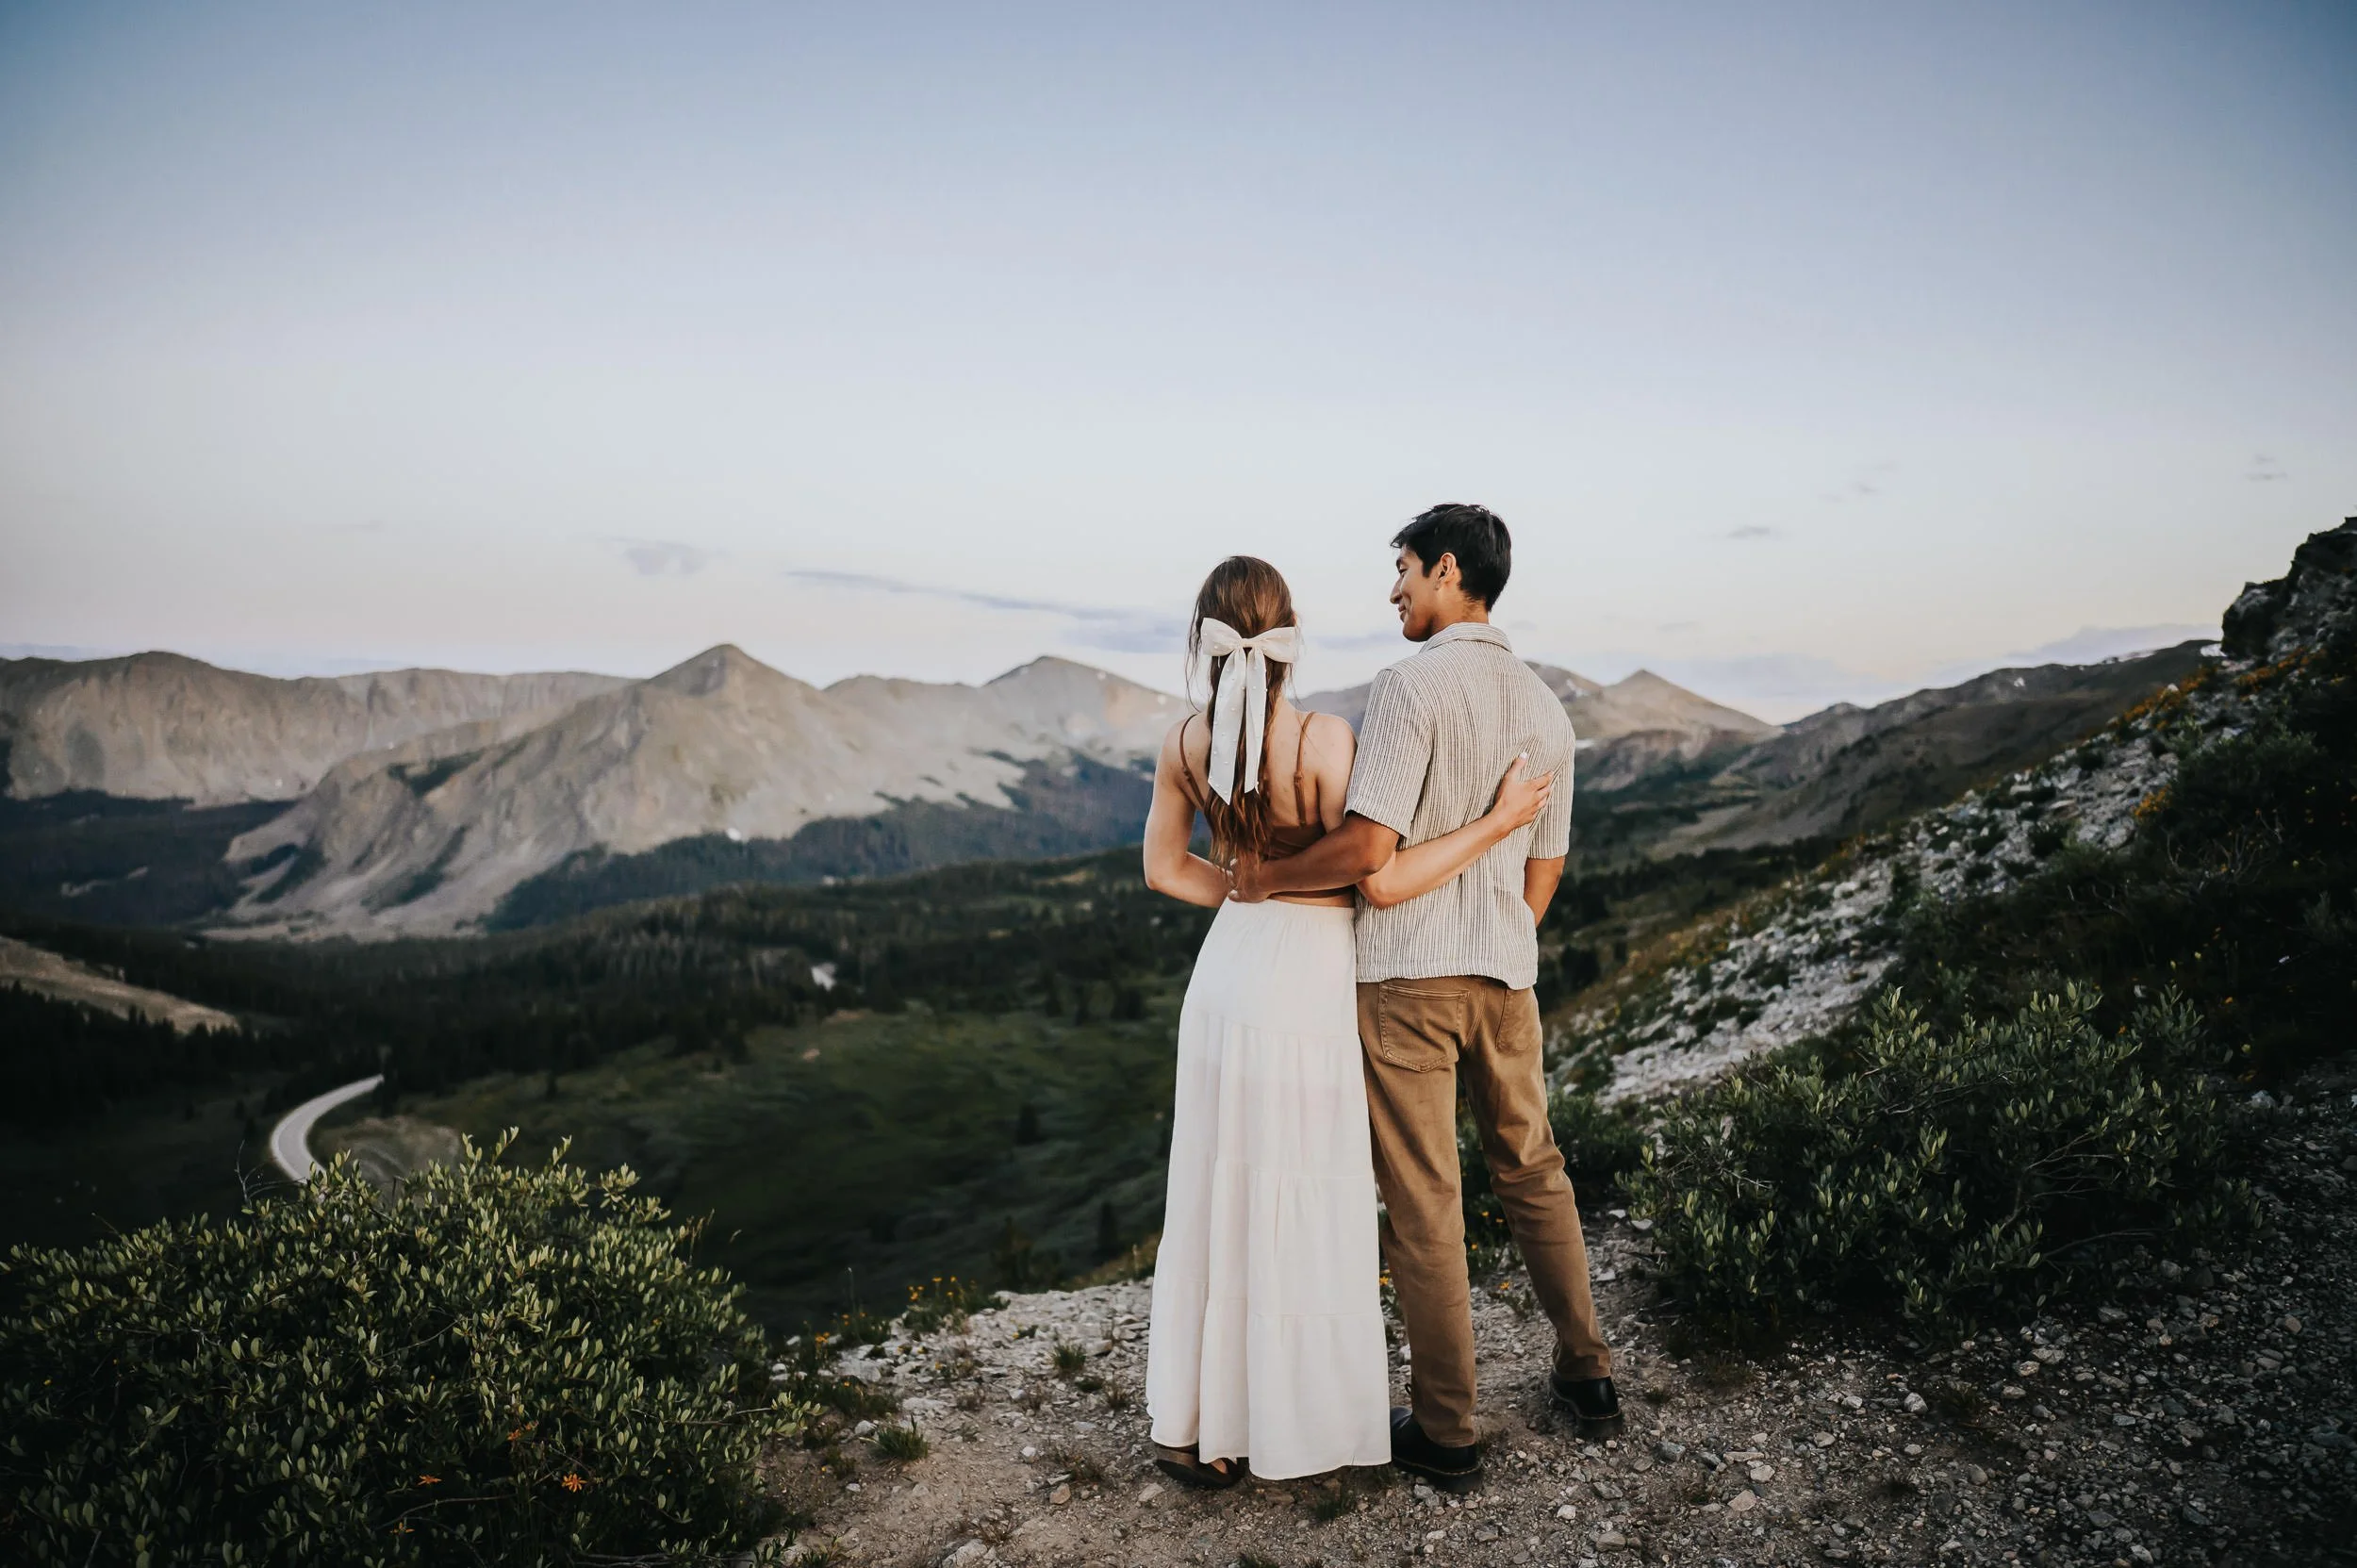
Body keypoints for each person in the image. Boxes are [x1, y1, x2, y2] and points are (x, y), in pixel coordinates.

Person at [1139, 553, 1557, 1487]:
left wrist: (1246, 894)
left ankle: (1200, 1428)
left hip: (1227, 973)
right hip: (1315, 971)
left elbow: (1165, 871)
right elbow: (1369, 864)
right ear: (1288, 638)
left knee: (1217, 1192)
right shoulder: (1325, 740)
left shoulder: (1183, 744)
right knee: (1304, 1190)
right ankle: (1302, 1417)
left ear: (1204, 640)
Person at [1233, 503, 1621, 1494]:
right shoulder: (1546, 707)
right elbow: (1547, 865)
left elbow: (1370, 855)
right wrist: (1499, 936)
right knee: (1534, 1170)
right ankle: (1588, 1376)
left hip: (1405, 977)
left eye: (1401, 568)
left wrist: (1264, 878)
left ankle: (1447, 1431)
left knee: (1423, 1205)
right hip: (1506, 977)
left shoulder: (1408, 687)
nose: (1393, 588)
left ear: (1448, 569)